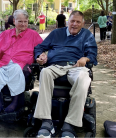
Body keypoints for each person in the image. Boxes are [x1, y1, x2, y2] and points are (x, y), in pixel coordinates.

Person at [33, 10, 97, 138]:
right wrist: (40, 56)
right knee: (45, 72)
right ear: (68, 21)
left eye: (78, 22)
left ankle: (70, 124)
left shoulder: (87, 35)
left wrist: (85, 59)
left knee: (84, 78)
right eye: (72, 21)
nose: (74, 24)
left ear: (83, 23)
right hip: (55, 65)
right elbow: (40, 47)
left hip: (76, 66)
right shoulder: (57, 33)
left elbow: (92, 54)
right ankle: (46, 122)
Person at [0, 9, 43, 116]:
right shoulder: (6, 33)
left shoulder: (33, 34)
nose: (23, 24)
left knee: (16, 69)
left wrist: (41, 56)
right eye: (20, 21)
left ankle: (15, 102)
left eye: (25, 21)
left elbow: (41, 48)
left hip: (21, 62)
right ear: (14, 21)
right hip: (3, 61)